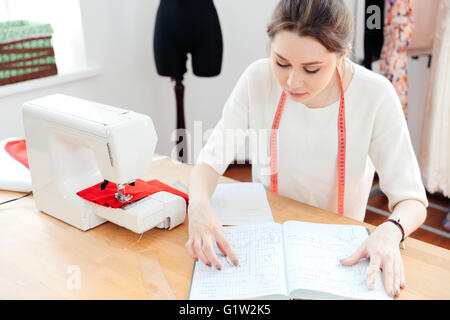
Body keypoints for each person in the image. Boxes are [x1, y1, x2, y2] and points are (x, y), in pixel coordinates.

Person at [185, 0, 428, 298]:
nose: (292, 81)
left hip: (336, 251)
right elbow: (209, 162)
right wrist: (198, 207)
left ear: (342, 56)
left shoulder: (375, 95)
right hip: (266, 243)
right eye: (281, 62)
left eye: (311, 69)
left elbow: (413, 201)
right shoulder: (257, 79)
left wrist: (390, 231)